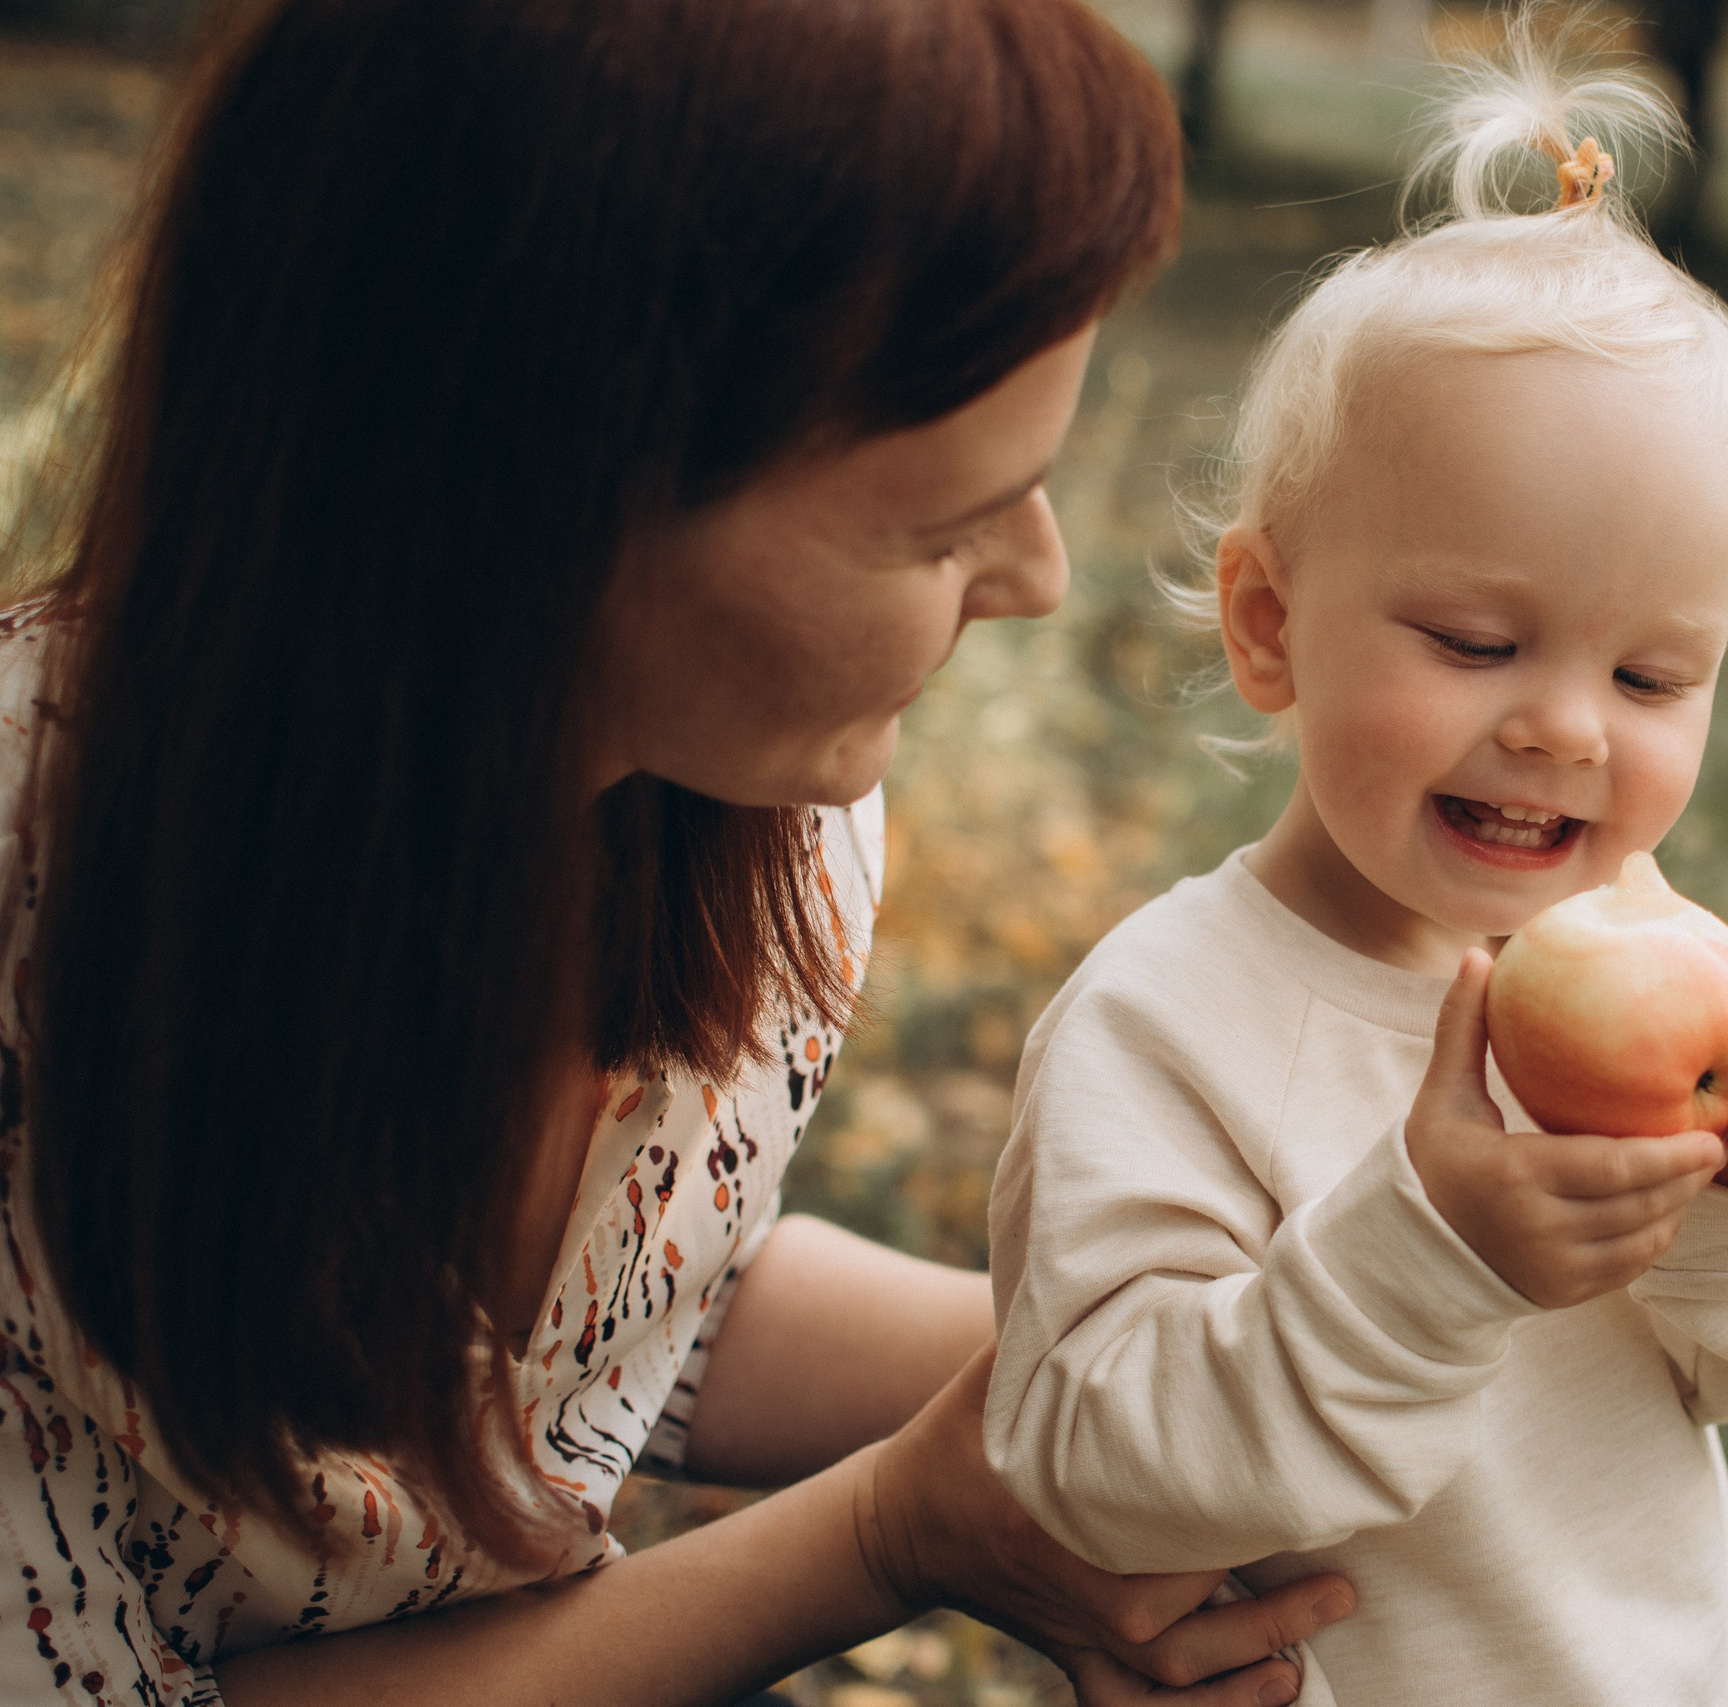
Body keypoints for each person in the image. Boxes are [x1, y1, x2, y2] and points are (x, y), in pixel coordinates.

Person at [0, 0, 1358, 1702]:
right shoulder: (34, 933)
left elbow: (634, 1310)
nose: (1036, 581)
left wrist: (1184, 1370)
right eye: (942, 527)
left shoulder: (769, 817)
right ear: (549, 494)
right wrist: (890, 1534)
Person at [981, 31, 1728, 1706]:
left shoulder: (1661, 957)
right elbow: (1090, 1463)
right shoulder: (1167, 1021)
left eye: (1649, 678)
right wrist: (1433, 1261)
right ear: (1270, 624)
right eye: (1480, 642)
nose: (1565, 731)